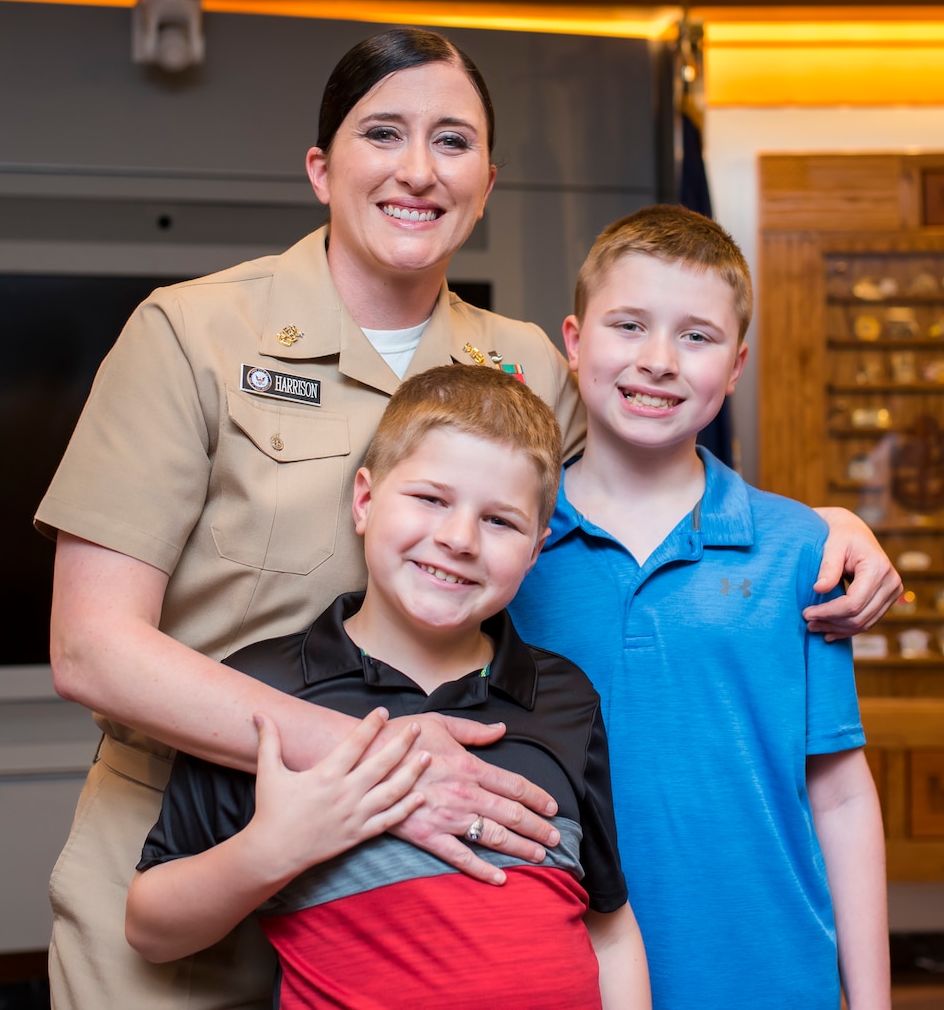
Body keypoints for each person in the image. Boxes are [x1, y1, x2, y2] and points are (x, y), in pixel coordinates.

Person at [36, 28, 898, 1009]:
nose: (417, 170)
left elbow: (638, 486)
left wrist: (824, 523)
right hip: (197, 865)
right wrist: (388, 765)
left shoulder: (523, 362)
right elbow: (90, 649)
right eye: (382, 135)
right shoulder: (191, 336)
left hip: (423, 908)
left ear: (488, 183)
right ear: (321, 168)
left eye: (452, 142)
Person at [126, 365, 649, 1009]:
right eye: (431, 499)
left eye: (500, 522)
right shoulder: (264, 690)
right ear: (365, 501)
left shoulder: (565, 696)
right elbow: (151, 928)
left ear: (538, 549)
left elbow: (610, 923)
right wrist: (274, 848)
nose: (458, 539)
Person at [508, 205, 891, 1009]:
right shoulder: (509, 551)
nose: (658, 361)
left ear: (737, 364)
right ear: (574, 343)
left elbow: (842, 793)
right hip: (558, 974)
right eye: (629, 326)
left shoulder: (799, 549)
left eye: (696, 336)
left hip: (769, 975)